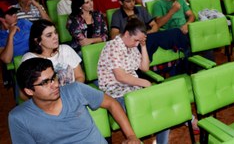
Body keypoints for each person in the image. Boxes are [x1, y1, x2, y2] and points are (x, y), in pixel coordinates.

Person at [9, 57, 140, 144]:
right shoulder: (19, 118)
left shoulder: (76, 90)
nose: (55, 84)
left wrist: (131, 136)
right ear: (29, 91)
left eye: (53, 78)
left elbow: (111, 103)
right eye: (45, 83)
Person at [97, 18, 169, 144]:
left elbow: (145, 68)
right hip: (115, 92)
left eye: (139, 41)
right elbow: (121, 77)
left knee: (162, 108)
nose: (137, 44)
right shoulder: (113, 46)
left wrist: (143, 45)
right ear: (126, 34)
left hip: (132, 88)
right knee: (141, 115)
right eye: (136, 40)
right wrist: (144, 83)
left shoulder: (132, 45)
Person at [22, 19, 85, 85]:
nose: (55, 37)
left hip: (72, 92)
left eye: (55, 32)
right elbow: (25, 92)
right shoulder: (29, 59)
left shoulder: (65, 49)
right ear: (38, 40)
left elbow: (80, 76)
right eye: (49, 35)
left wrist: (69, 93)